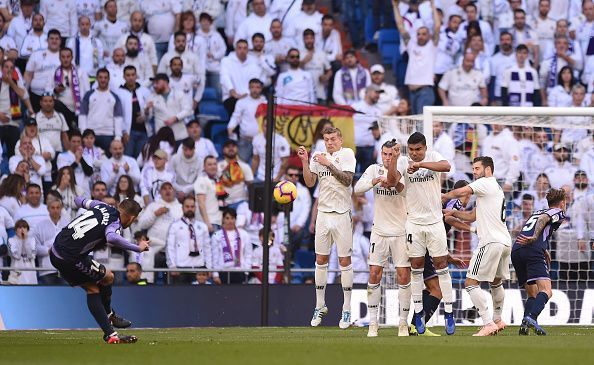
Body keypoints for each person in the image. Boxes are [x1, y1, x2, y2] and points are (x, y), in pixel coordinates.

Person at [49, 196, 148, 343]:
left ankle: (110, 318)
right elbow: (111, 238)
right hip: (70, 257)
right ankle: (110, 330)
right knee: (94, 288)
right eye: (133, 219)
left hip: (57, 249)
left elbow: (78, 200)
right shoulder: (116, 223)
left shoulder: (101, 205)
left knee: (107, 277)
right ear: (130, 217)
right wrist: (137, 248)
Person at [386, 132, 455, 335]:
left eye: (418, 150)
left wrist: (421, 165)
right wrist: (395, 160)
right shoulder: (403, 162)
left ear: (425, 148)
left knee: (442, 265)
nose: (415, 154)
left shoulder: (433, 157)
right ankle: (418, 312)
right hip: (414, 223)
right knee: (416, 267)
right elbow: (391, 182)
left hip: (435, 223)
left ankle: (449, 313)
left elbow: (447, 166)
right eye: (412, 150)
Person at [442, 156, 513, 336]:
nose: (474, 172)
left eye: (477, 168)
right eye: (473, 169)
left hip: (490, 241)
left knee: (471, 282)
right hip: (504, 242)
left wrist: (443, 195)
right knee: (496, 282)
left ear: (488, 169)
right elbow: (474, 216)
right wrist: (455, 213)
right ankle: (497, 319)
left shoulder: (486, 183)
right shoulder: (494, 189)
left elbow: (460, 191)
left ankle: (488, 323)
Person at [298, 126, 356, 329]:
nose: (329, 142)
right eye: (326, 139)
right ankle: (319, 305)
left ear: (340, 140)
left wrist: (329, 163)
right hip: (323, 214)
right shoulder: (318, 155)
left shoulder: (347, 154)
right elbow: (310, 182)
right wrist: (305, 162)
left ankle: (346, 309)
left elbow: (348, 180)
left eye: (333, 139)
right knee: (320, 260)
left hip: (342, 214)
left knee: (344, 261)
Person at [354, 140, 410, 337]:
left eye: (391, 154)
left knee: (404, 276)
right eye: (385, 154)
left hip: (401, 231)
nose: (387, 157)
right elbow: (357, 189)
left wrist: (392, 179)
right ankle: (373, 322)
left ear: (397, 153)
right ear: (381, 154)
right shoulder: (373, 169)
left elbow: (399, 186)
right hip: (379, 231)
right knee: (374, 275)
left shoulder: (403, 165)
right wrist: (374, 181)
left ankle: (403, 323)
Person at [511, 188, 566, 336]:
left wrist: (543, 248)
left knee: (532, 294)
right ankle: (532, 318)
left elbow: (533, 227)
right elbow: (543, 222)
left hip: (517, 250)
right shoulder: (558, 212)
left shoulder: (538, 211)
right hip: (532, 249)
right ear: (562, 203)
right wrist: (536, 239)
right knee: (546, 291)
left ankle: (524, 325)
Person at [393, 0, 440, 114]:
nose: (420, 36)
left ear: (429, 35)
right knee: (416, 125)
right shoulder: (411, 45)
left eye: (424, 34)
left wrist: (433, 5)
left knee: (421, 125)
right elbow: (400, 26)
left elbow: (437, 26)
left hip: (425, 91)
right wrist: (395, 6)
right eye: (418, 34)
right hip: (412, 92)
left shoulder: (431, 46)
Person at [136, 182, 183, 283]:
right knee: (150, 278)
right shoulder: (153, 206)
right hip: (154, 248)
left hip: (173, 250)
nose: (167, 191)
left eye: (170, 188)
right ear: (160, 192)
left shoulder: (180, 208)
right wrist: (155, 214)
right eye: (164, 188)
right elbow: (141, 224)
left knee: (172, 281)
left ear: (174, 191)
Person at [166, 195, 212, 285]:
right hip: (181, 268)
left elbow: (207, 248)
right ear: (182, 208)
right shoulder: (175, 226)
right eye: (187, 206)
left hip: (199, 268)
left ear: (195, 208)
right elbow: (170, 247)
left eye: (192, 207)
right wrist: (172, 266)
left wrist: (209, 267)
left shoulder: (202, 226)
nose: (190, 209)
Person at [145, 73, 193, 142]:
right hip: (162, 136)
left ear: (165, 82)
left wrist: (176, 118)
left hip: (179, 135)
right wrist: (147, 110)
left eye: (157, 83)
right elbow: (148, 118)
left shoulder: (179, 94)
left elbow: (188, 110)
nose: (155, 85)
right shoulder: (151, 97)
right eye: (154, 83)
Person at [115, 65, 151, 158]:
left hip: (144, 131)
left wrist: (145, 114)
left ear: (136, 76)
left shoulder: (145, 91)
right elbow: (118, 114)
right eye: (128, 75)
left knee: (141, 159)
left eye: (132, 75)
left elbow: (150, 112)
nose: (130, 77)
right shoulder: (119, 93)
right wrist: (123, 131)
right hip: (129, 132)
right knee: (128, 158)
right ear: (124, 77)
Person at [227, 78, 266, 163]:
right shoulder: (242, 102)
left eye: (257, 87)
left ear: (261, 89)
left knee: (261, 165)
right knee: (241, 165)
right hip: (245, 140)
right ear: (249, 88)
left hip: (261, 140)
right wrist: (230, 127)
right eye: (252, 87)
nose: (255, 90)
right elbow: (236, 117)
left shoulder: (265, 102)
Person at [32, 197, 69, 285]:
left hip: (65, 269)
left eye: (58, 207)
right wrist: (48, 250)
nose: (55, 210)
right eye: (52, 208)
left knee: (65, 296)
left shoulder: (68, 225)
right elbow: (34, 247)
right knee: (47, 297)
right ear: (48, 209)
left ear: (61, 208)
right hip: (46, 270)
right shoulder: (40, 226)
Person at [220, 39, 262, 116]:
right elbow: (225, 78)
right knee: (236, 107)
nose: (242, 50)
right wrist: (233, 93)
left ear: (248, 50)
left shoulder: (253, 61)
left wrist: (247, 94)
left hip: (250, 96)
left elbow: (256, 80)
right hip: (231, 97)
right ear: (235, 49)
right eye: (239, 48)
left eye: (245, 48)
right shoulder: (226, 61)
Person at [210, 207, 251, 284]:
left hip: (239, 272)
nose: (230, 221)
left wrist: (246, 272)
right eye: (227, 218)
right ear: (223, 219)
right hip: (222, 272)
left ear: (235, 219)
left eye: (232, 218)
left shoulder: (244, 234)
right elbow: (214, 257)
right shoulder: (216, 235)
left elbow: (248, 254)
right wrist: (215, 274)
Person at [52, 47, 91, 127]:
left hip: (79, 108)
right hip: (62, 108)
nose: (65, 59)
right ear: (59, 58)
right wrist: (56, 91)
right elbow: (47, 91)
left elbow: (87, 91)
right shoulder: (54, 72)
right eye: (63, 57)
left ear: (72, 57)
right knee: (56, 104)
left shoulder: (81, 72)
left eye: (68, 57)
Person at [0, 59, 31, 157]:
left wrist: (11, 83)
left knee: (13, 155)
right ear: (2, 69)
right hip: (0, 123)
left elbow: (23, 95)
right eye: (6, 67)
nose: (9, 69)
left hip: (14, 123)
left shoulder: (17, 82)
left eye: (11, 68)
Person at [351, 85, 383, 175]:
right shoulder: (354, 107)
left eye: (379, 93)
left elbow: (379, 133)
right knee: (351, 176)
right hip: (354, 147)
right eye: (376, 92)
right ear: (367, 92)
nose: (378, 95)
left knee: (367, 178)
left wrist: (377, 148)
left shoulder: (378, 111)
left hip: (370, 148)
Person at [217, 139, 254, 209]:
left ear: (237, 149)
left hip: (241, 202)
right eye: (228, 147)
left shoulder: (245, 166)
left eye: (233, 146)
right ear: (223, 150)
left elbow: (251, 186)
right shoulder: (217, 166)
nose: (231, 148)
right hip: (223, 203)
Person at [196, 12, 226, 93]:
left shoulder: (217, 35)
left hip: (214, 68)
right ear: (199, 22)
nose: (205, 23)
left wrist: (214, 55)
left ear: (210, 22)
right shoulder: (196, 36)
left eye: (207, 21)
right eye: (203, 21)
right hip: (200, 69)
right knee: (198, 92)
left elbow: (223, 49)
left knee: (220, 90)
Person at [194, 155, 222, 234]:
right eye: (209, 164)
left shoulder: (218, 180)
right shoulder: (201, 180)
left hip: (219, 221)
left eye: (214, 164)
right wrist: (207, 223)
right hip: (209, 222)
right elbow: (201, 203)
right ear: (204, 167)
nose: (213, 166)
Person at [7, 219, 37, 285]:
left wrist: (25, 240)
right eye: (20, 227)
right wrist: (20, 240)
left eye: (24, 227)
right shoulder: (11, 240)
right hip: (17, 276)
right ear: (15, 230)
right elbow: (17, 256)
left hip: (30, 275)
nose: (22, 229)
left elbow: (31, 256)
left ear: (27, 230)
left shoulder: (32, 240)